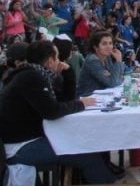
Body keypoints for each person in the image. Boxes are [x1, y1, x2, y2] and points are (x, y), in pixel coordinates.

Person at [0, 41, 117, 184]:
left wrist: (68, 74)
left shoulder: (36, 75)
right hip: (20, 148)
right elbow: (53, 111)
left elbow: (62, 102)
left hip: (28, 140)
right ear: (50, 61)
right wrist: (81, 104)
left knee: (83, 145)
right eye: (57, 58)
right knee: (86, 153)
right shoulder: (31, 78)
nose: (59, 61)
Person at [76, 32, 125, 97]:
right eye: (104, 44)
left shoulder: (107, 58)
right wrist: (118, 61)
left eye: (110, 43)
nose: (109, 47)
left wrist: (114, 77)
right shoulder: (92, 60)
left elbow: (119, 77)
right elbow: (112, 82)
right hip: (87, 98)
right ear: (96, 47)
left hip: (101, 96)